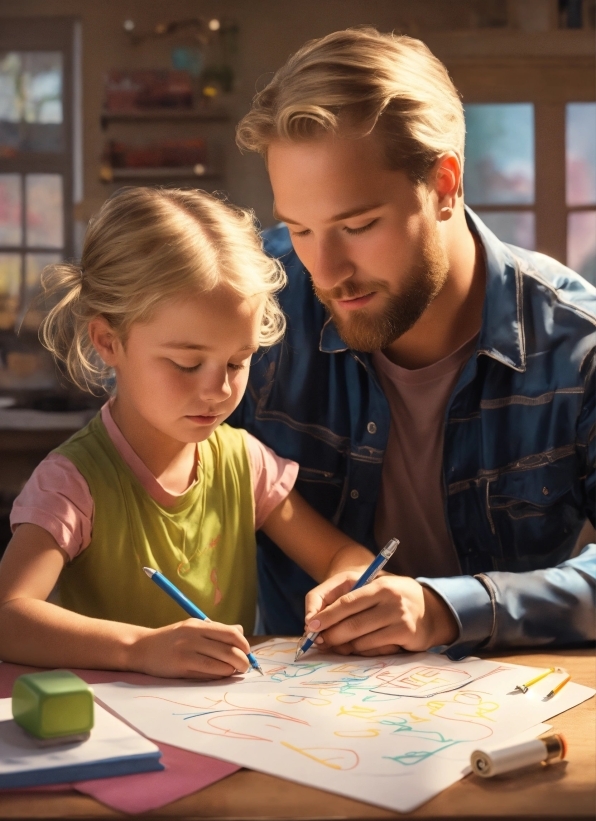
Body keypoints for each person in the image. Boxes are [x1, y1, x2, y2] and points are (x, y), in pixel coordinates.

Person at [229, 27, 596, 658]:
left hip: (509, 714)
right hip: (293, 714)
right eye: (301, 228)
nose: (327, 270)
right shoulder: (251, 299)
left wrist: (450, 609)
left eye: (359, 225)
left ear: (445, 186)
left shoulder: (575, 343)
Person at [0, 187, 376, 679]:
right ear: (108, 341)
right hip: (113, 737)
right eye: (186, 363)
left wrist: (350, 584)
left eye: (237, 362)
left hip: (223, 732)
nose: (217, 390)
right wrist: (140, 648)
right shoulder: (73, 483)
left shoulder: (245, 462)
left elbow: (343, 555)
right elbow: (9, 617)